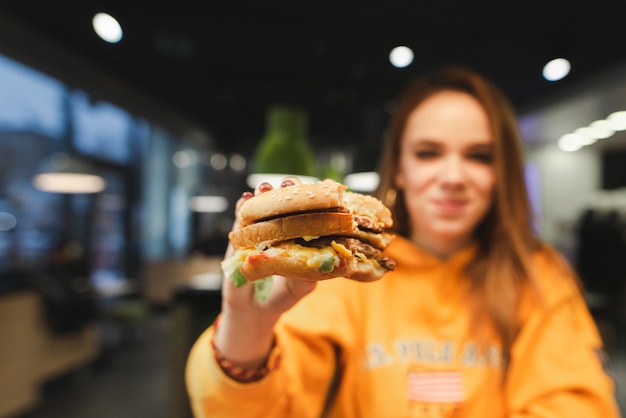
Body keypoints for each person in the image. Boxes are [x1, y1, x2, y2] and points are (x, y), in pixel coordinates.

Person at [185, 67, 620, 417]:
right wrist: (248, 328)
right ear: (401, 170)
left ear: (500, 173)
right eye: (428, 152)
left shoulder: (539, 276)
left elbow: (576, 402)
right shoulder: (337, 274)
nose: (452, 177)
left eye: (479, 155)